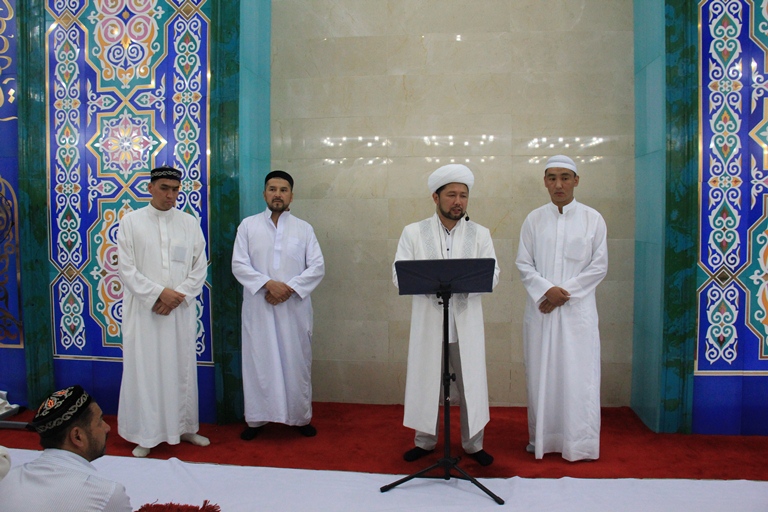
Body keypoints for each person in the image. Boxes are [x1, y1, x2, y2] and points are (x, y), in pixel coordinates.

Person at [393, 164, 500, 466]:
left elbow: (493, 274)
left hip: (465, 324)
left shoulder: (480, 234)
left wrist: (461, 283)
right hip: (430, 324)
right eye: (451, 194)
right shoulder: (413, 232)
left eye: (463, 195)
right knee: (426, 381)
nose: (458, 201)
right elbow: (399, 274)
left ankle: (473, 444)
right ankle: (425, 442)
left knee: (470, 384)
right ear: (435, 197)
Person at [515, 154, 608, 462]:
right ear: (544, 181)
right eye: (552, 178)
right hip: (542, 311)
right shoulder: (534, 219)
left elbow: (599, 266)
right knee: (541, 376)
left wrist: (563, 294)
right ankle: (542, 439)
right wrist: (547, 291)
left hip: (577, 314)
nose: (558, 184)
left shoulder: (593, 219)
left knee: (579, 377)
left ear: (576, 180)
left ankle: (580, 444)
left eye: (565, 177)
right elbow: (524, 264)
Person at [117, 165, 210, 457]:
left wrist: (176, 297)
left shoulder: (189, 223)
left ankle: (185, 427)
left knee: (181, 369)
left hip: (178, 312)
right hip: (145, 313)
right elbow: (126, 269)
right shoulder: (131, 222)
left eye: (175, 190)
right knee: (146, 371)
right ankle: (147, 434)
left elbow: (199, 267)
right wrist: (158, 294)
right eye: (164, 189)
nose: (170, 195)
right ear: (150, 188)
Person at [232, 170, 325, 440]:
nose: (277, 194)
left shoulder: (304, 229)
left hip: (293, 309)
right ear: (264, 194)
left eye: (283, 190)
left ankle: (299, 417)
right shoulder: (248, 226)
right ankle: (257, 419)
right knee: (259, 362)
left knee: (296, 362)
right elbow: (239, 264)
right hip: (259, 307)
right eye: (272, 189)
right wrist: (267, 284)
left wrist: (288, 288)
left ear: (291, 196)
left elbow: (317, 267)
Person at [0, 385, 132, 511]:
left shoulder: (7, 479)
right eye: (100, 421)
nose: (107, 428)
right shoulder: (106, 494)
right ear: (77, 436)